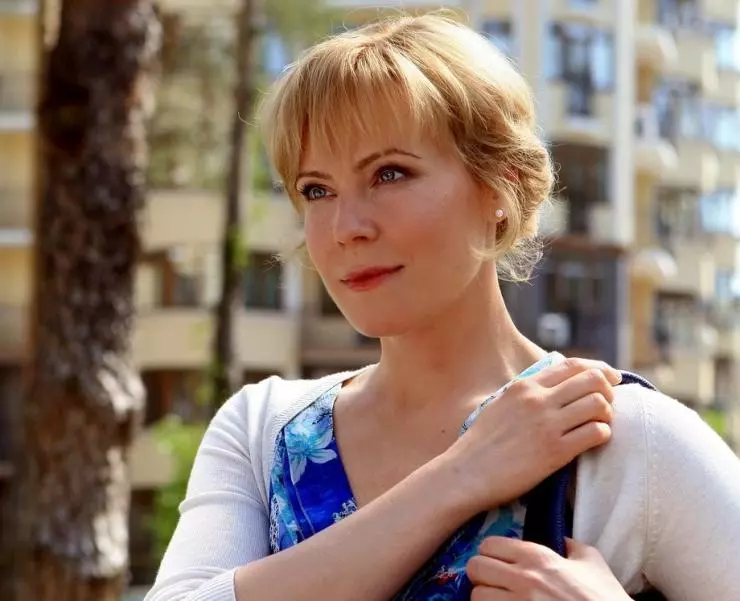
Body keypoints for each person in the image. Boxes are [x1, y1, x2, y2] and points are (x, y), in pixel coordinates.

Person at [144, 13, 740, 601]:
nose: (346, 227)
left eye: (389, 174)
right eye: (316, 190)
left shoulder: (619, 434)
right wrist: (462, 474)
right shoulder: (262, 428)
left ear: (500, 187)